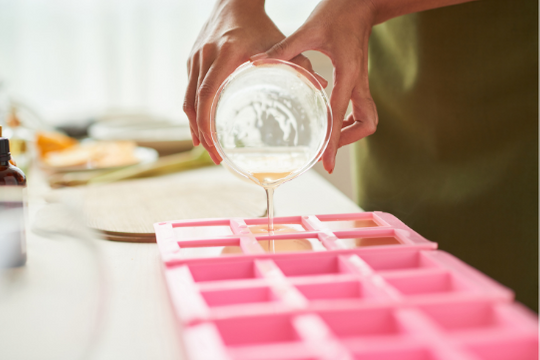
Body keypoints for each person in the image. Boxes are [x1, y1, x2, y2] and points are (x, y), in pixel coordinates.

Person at [183, 0, 538, 310]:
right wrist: (238, 5)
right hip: (401, 93)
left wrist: (364, 3)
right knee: (393, 284)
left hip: (514, 99)